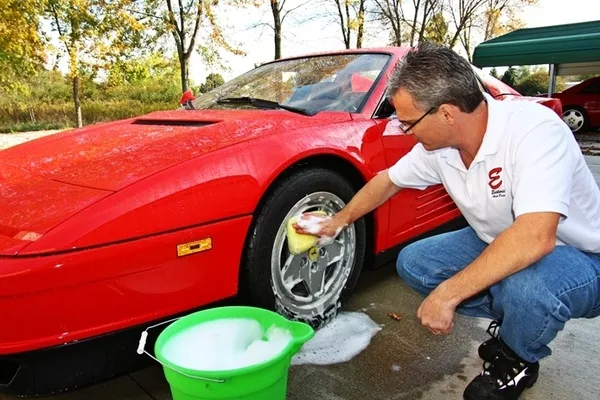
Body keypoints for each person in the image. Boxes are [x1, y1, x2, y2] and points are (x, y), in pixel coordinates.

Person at [294, 42, 600, 400]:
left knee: (528, 284)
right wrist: (338, 221)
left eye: (408, 123)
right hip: (501, 241)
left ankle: (517, 359)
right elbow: (387, 181)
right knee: (416, 263)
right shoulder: (440, 148)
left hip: (581, 259)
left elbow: (535, 238)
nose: (405, 132)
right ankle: (517, 320)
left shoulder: (534, 131)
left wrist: (449, 294)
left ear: (447, 114)